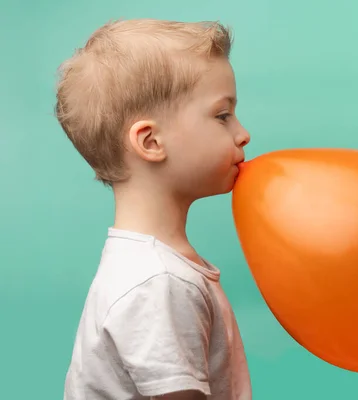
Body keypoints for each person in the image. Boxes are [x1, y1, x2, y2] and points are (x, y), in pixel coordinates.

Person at [55, 18, 252, 400]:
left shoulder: (154, 269)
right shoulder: (158, 283)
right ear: (150, 141)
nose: (243, 133)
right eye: (222, 115)